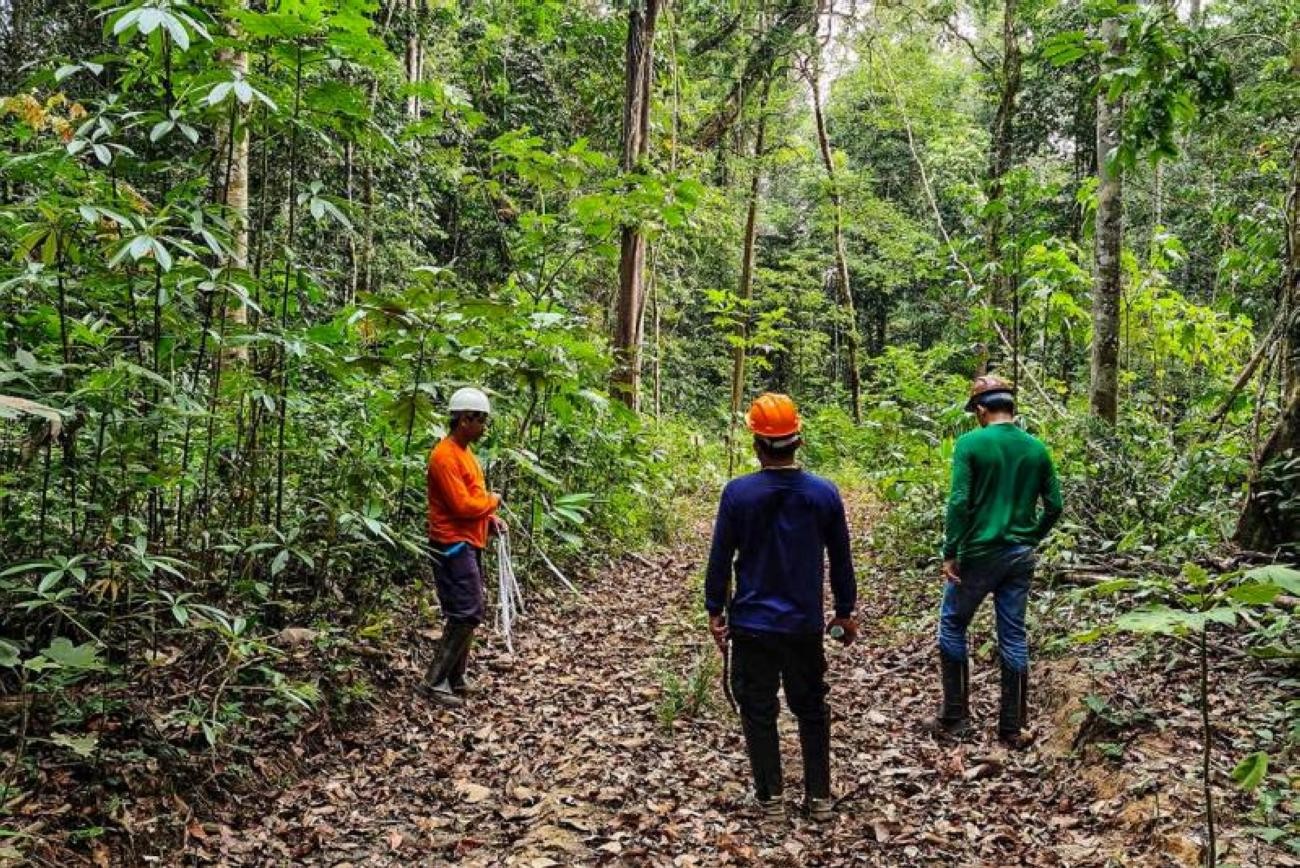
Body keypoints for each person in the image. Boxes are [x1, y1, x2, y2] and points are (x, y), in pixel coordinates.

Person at [704, 393, 857, 823]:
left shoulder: (738, 494)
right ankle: (819, 798)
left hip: (752, 624)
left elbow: (720, 558)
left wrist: (715, 608)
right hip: (803, 624)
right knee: (811, 708)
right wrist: (845, 610)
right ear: (798, 441)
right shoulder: (823, 493)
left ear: (757, 444)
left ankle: (770, 800)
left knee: (758, 709)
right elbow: (841, 559)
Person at [932, 375, 1062, 748]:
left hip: (978, 553)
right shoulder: (1036, 448)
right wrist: (1031, 538)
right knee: (1014, 635)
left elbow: (959, 501)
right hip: (1020, 556)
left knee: (953, 625)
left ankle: (955, 718)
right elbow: (1054, 506)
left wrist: (950, 551)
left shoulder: (970, 444)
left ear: (981, 410)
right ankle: (1012, 728)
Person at [420, 387, 506, 707]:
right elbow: (461, 505)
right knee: (466, 612)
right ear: (464, 420)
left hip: (469, 541)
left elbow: (473, 502)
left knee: (469, 610)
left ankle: (455, 678)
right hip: (451, 544)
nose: (484, 427)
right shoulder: (444, 456)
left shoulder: (466, 454)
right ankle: (433, 682)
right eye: (481, 421)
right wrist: (493, 501)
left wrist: (490, 519)